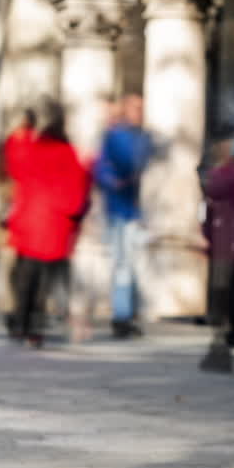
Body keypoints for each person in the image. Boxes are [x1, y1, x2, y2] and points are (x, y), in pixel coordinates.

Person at [3, 101, 89, 348]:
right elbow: (76, 192)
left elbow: (15, 168)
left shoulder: (31, 149)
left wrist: (20, 136)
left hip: (29, 223)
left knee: (25, 277)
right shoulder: (68, 153)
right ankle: (34, 328)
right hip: (54, 227)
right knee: (43, 282)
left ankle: (20, 323)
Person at [94, 94, 152, 338]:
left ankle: (128, 313)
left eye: (141, 108)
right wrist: (115, 182)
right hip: (120, 210)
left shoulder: (142, 137)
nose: (139, 112)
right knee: (123, 265)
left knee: (132, 264)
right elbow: (105, 169)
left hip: (134, 210)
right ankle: (122, 316)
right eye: (135, 108)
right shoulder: (116, 136)